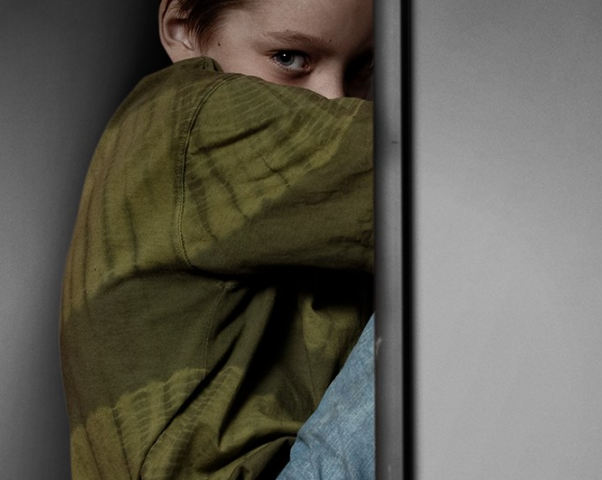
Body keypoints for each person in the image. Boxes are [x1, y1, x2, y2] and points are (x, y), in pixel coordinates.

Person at [59, 0, 375, 479]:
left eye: (362, 67)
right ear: (182, 28)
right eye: (289, 58)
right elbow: (436, 175)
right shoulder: (197, 122)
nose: (335, 99)